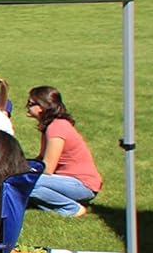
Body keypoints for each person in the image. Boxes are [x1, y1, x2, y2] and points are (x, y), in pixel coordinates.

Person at [26, 86, 102, 217]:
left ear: (42, 107)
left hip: (82, 185)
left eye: (30, 104)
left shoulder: (57, 127)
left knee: (24, 183)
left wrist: (23, 174)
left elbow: (47, 168)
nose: (26, 106)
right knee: (20, 180)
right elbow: (40, 159)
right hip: (67, 181)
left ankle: (72, 208)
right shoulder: (51, 126)